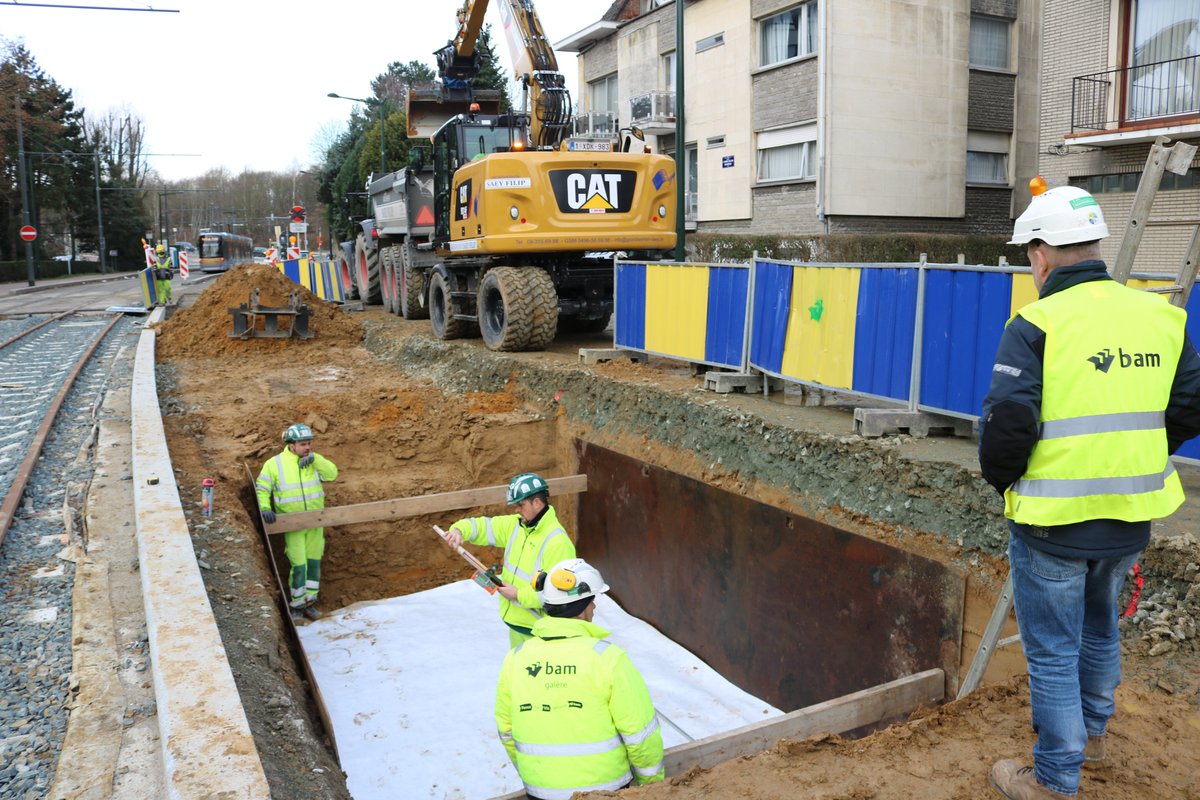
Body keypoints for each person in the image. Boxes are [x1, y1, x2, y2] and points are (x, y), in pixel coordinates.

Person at [980, 182, 1200, 799]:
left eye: (1030, 255)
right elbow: (1189, 407)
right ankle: (1093, 738)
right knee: (1101, 628)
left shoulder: (1037, 322)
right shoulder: (1160, 315)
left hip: (1053, 521)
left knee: (1052, 650)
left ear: (1042, 253)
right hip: (1131, 515)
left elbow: (1007, 424)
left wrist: (1005, 481)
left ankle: (1054, 777)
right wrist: (1138, 456)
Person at [495, 558, 664, 798]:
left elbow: (507, 732)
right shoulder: (608, 659)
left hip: (540, 792)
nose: (594, 607)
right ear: (583, 607)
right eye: (592, 600)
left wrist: (540, 779)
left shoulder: (516, 659)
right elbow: (640, 734)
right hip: (607, 791)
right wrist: (652, 786)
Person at [443, 473, 575, 647]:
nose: (516, 510)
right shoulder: (516, 525)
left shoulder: (557, 542)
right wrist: (459, 530)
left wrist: (518, 595)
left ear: (537, 503)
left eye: (520, 504)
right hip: (517, 625)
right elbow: (483, 526)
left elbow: (559, 593)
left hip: (540, 633)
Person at [255, 423, 339, 621]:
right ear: (291, 445)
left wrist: (315, 459)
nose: (307, 447)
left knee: (313, 564)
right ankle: (297, 606)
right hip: (293, 526)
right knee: (299, 566)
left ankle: (311, 603)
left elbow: (332, 474)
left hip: (315, 524)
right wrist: (265, 508)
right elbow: (263, 488)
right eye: (303, 444)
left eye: (309, 443)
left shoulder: (313, 460)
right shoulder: (274, 464)